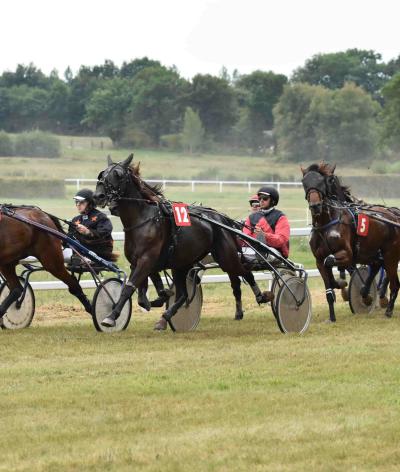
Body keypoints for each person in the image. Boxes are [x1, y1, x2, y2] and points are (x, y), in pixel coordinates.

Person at [242, 186, 290, 258]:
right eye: (260, 198)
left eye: (265, 198)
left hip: (275, 251)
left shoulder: (280, 217)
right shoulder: (251, 217)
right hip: (254, 249)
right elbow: (245, 237)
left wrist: (263, 235)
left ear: (273, 201)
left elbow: (281, 240)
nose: (261, 200)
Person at [68, 188, 114, 261]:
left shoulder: (101, 217)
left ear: (90, 203)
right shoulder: (75, 219)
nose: (78, 204)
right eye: (77, 202)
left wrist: (88, 232)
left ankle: (81, 257)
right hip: (80, 250)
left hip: (100, 251)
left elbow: (105, 232)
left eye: (82, 202)